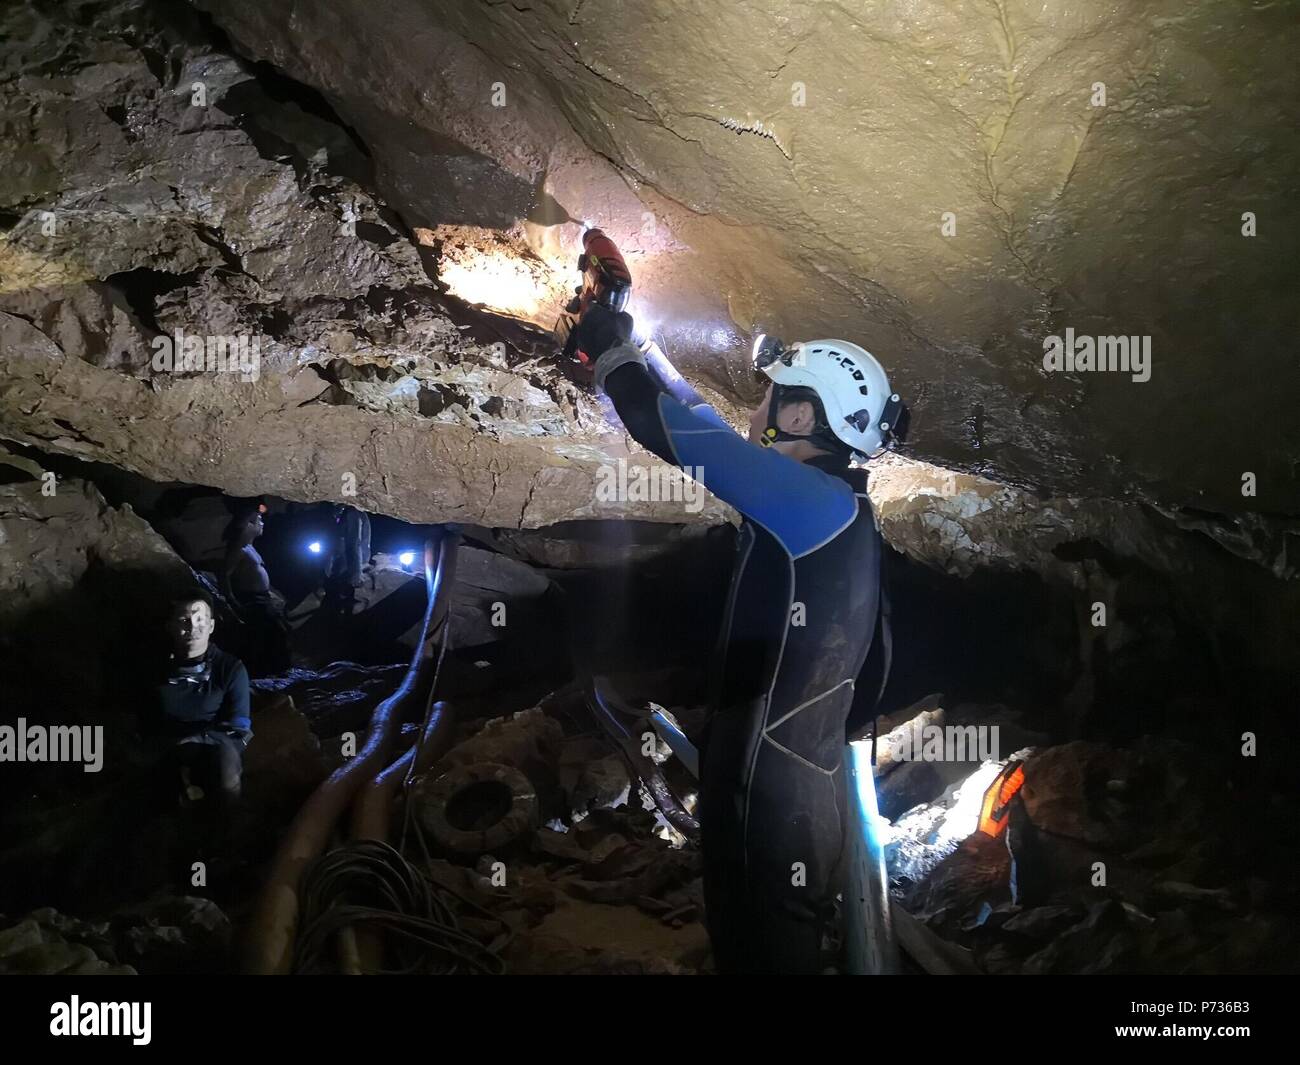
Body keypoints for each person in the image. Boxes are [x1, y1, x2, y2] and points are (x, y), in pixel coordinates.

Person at [575, 309, 906, 973]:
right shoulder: (835, 507)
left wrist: (607, 348)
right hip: (797, 791)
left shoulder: (806, 501)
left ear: (804, 417)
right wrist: (643, 345)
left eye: (770, 395)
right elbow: (711, 428)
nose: (757, 409)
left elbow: (671, 429)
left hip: (767, 800)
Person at [144, 594, 253, 806]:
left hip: (213, 745)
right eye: (184, 621)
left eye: (200, 620)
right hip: (167, 746)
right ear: (170, 626)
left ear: (211, 625)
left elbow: (239, 726)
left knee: (224, 771)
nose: (193, 627)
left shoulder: (229, 668)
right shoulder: (155, 670)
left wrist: (195, 741)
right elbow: (144, 719)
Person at [220, 500, 290, 674]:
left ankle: (276, 669)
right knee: (270, 634)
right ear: (248, 524)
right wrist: (232, 601)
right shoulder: (239, 548)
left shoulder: (249, 548)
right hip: (252, 602)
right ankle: (267, 671)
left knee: (277, 633)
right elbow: (224, 574)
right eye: (259, 520)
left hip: (263, 599)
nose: (263, 523)